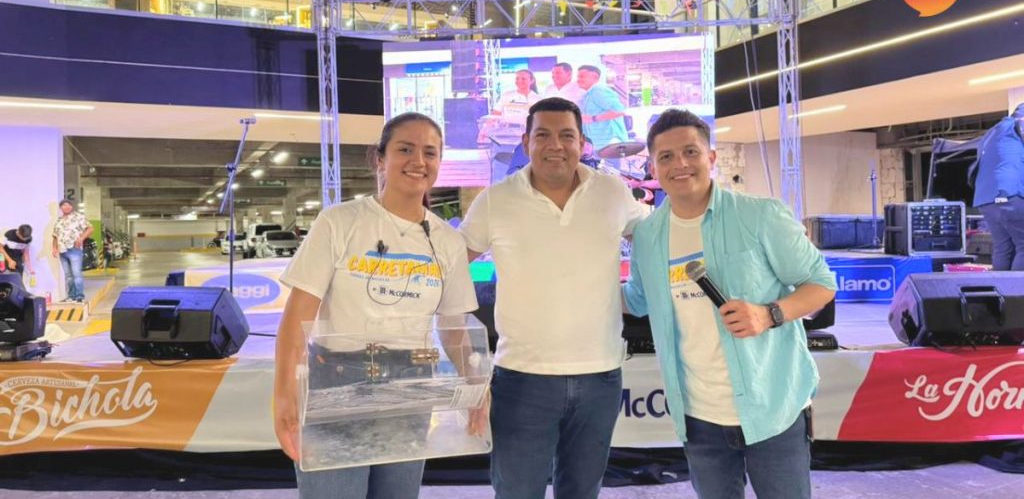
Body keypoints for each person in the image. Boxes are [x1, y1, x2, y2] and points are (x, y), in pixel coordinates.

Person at [623, 109, 837, 499]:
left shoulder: (760, 216)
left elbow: (822, 284)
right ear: (653, 168)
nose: (680, 164)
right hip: (698, 417)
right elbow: (636, 300)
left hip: (772, 406)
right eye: (666, 157)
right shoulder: (649, 235)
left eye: (690, 152)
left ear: (711, 157)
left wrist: (769, 314)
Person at [273, 112, 481, 499]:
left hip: (411, 385)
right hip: (337, 379)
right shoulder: (339, 222)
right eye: (405, 149)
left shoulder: (447, 241)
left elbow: (453, 327)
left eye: (430, 152)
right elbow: (298, 315)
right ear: (380, 159)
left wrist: (476, 386)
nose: (418, 161)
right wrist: (284, 392)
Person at [460, 96, 646, 499]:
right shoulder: (495, 199)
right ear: (526, 142)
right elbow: (453, 265)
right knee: (517, 492)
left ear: (582, 143)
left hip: (600, 376)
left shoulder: (613, 192)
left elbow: (657, 237)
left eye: (567, 135)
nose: (555, 145)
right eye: (543, 135)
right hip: (521, 377)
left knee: (582, 491)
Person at [972, 103, 1024, 270]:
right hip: (1009, 192)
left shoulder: (991, 132)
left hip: (985, 197)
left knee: (1003, 247)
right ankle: (1019, 287)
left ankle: (1002, 287)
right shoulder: (1020, 123)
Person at [577, 64, 629, 151]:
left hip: (609, 144)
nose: (578, 80)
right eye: (578, 77)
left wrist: (593, 118)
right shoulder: (589, 94)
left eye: (582, 76)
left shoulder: (598, 91)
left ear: (595, 77)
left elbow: (619, 111)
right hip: (598, 145)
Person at [52, 199, 93, 303]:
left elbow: (90, 228)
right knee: (68, 276)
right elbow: (55, 236)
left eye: (68, 205)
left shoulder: (78, 217)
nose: (66, 207)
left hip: (74, 249)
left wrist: (81, 238)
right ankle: (71, 295)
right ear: (60, 208)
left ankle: (79, 296)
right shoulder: (59, 221)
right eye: (64, 205)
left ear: (72, 206)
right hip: (62, 251)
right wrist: (54, 248)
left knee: (76, 274)